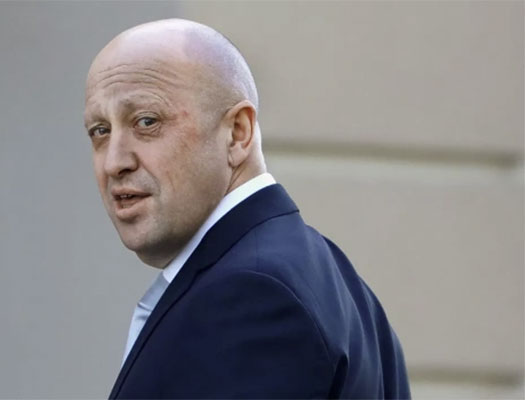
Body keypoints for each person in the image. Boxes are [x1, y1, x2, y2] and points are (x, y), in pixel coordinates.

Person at [84, 18, 410, 399]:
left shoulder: (252, 293)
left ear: (238, 133)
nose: (114, 162)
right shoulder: (335, 282)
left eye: (146, 122)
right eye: (100, 131)